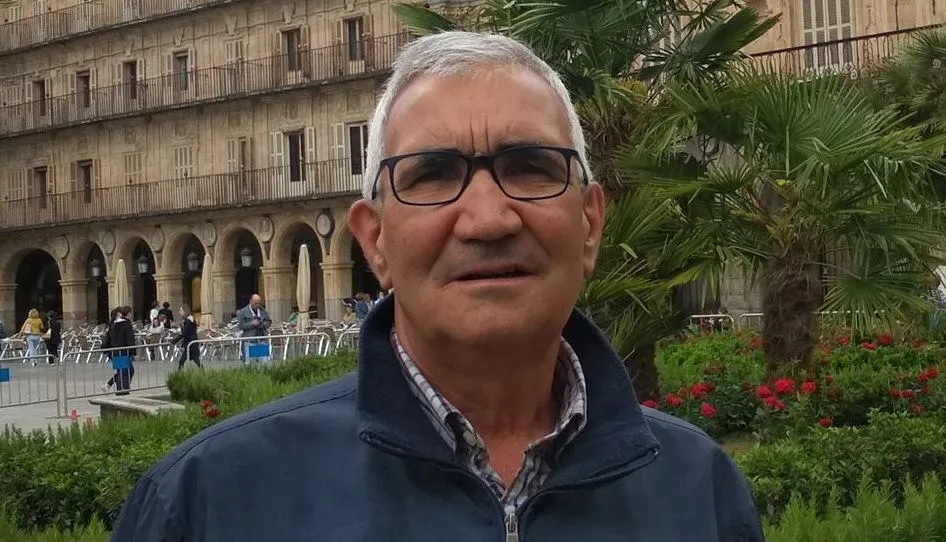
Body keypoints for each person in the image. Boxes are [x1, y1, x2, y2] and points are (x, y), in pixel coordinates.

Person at [112, 32, 763, 541]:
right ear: (375, 242)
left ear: (590, 221)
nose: (488, 219)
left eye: (530, 167)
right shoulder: (207, 502)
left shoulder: (698, 489)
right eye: (431, 175)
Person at [101, 306, 136, 395]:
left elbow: (108, 338)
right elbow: (129, 338)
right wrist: (132, 351)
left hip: (115, 351)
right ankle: (122, 391)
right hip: (123, 351)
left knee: (124, 371)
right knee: (124, 372)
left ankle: (118, 388)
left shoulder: (113, 325)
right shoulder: (125, 324)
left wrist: (107, 350)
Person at [236, 294, 271, 364]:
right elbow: (240, 326)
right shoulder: (243, 312)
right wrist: (252, 324)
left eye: (259, 303)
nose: (257, 305)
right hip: (250, 341)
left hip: (262, 339)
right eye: (255, 303)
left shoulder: (263, 311)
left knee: (263, 363)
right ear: (251, 302)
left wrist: (263, 324)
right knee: (250, 363)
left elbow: (269, 322)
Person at [172, 305, 201, 371]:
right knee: (191, 359)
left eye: (181, 310)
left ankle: (179, 374)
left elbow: (185, 333)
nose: (180, 312)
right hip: (191, 343)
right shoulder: (189, 320)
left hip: (190, 343)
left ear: (185, 311)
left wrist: (175, 340)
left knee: (189, 360)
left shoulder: (188, 321)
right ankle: (202, 371)